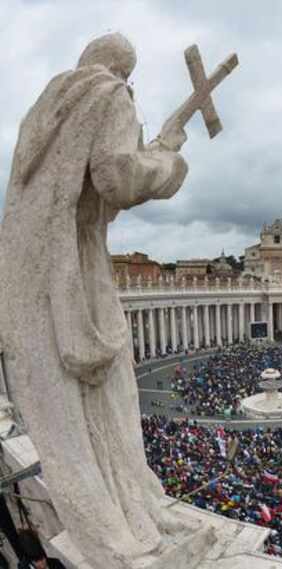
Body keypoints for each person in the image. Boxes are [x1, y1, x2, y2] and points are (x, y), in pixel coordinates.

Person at [0, 33, 212, 569]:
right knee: (113, 401)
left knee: (68, 417)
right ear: (124, 72)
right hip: (75, 272)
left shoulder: (43, 112)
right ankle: (126, 523)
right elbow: (116, 179)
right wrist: (165, 154)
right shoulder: (109, 94)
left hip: (28, 277)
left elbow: (84, 188)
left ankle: (118, 513)